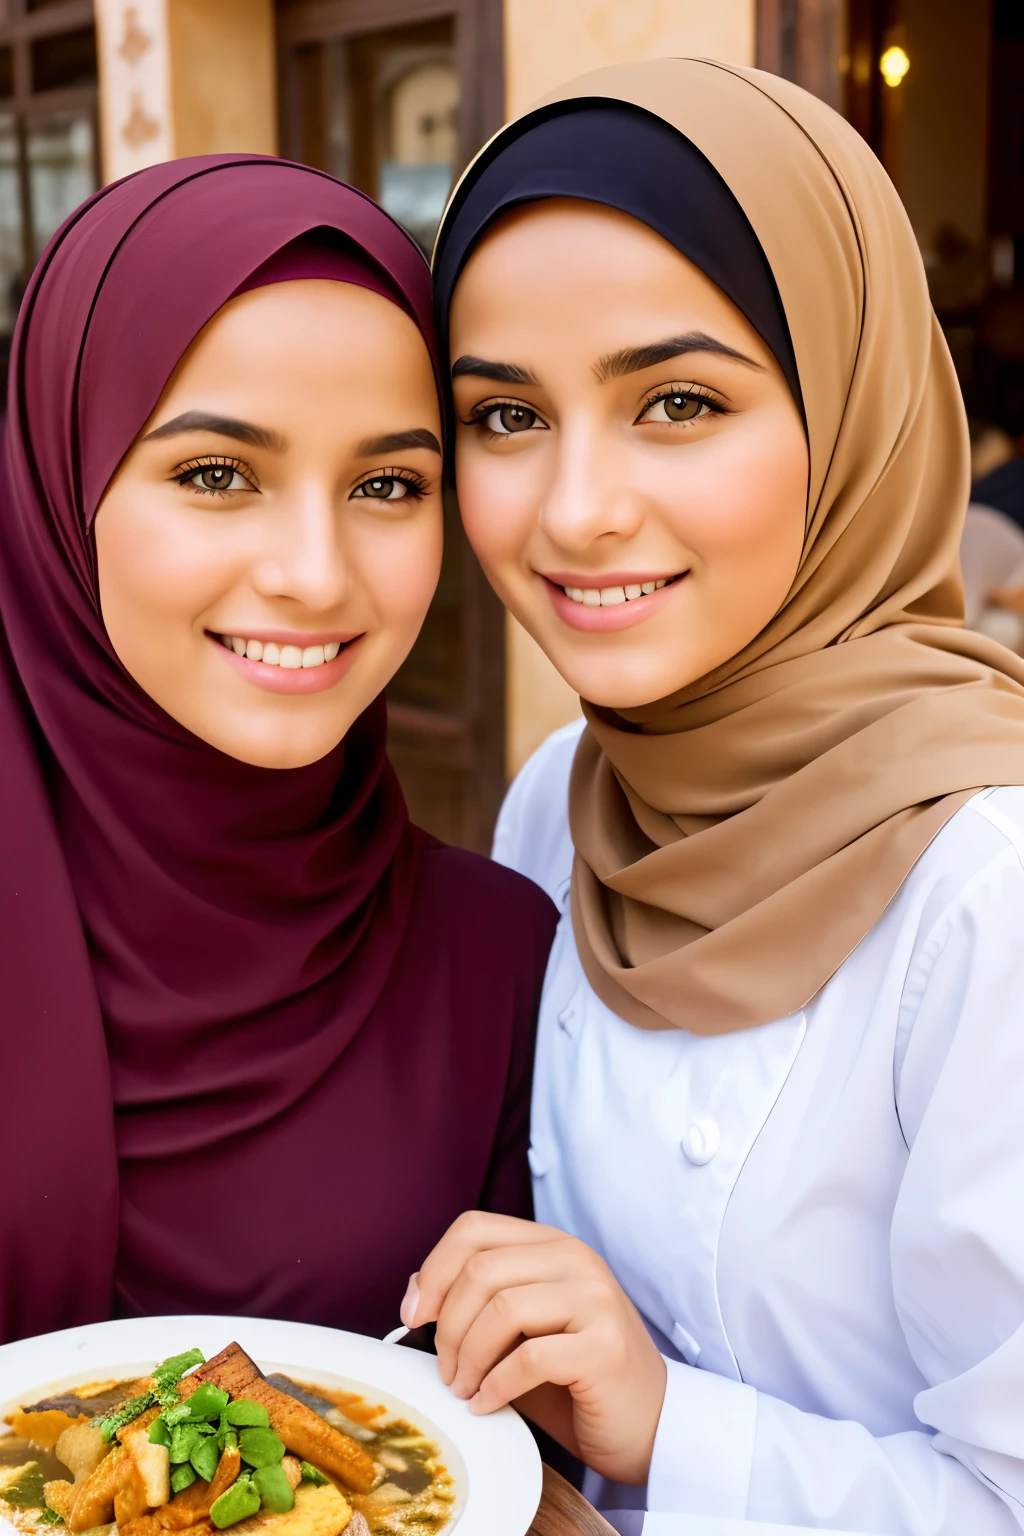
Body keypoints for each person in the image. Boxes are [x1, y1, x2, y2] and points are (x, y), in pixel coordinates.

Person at [408, 61, 1024, 1534]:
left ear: (850, 406)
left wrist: (674, 1427)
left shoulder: (986, 889)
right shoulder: (564, 796)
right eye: (504, 418)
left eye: (676, 401)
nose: (573, 510)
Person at [0, 154, 556, 1345]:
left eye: (389, 484)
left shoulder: (497, 964)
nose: (314, 574)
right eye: (217, 474)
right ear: (61, 485)